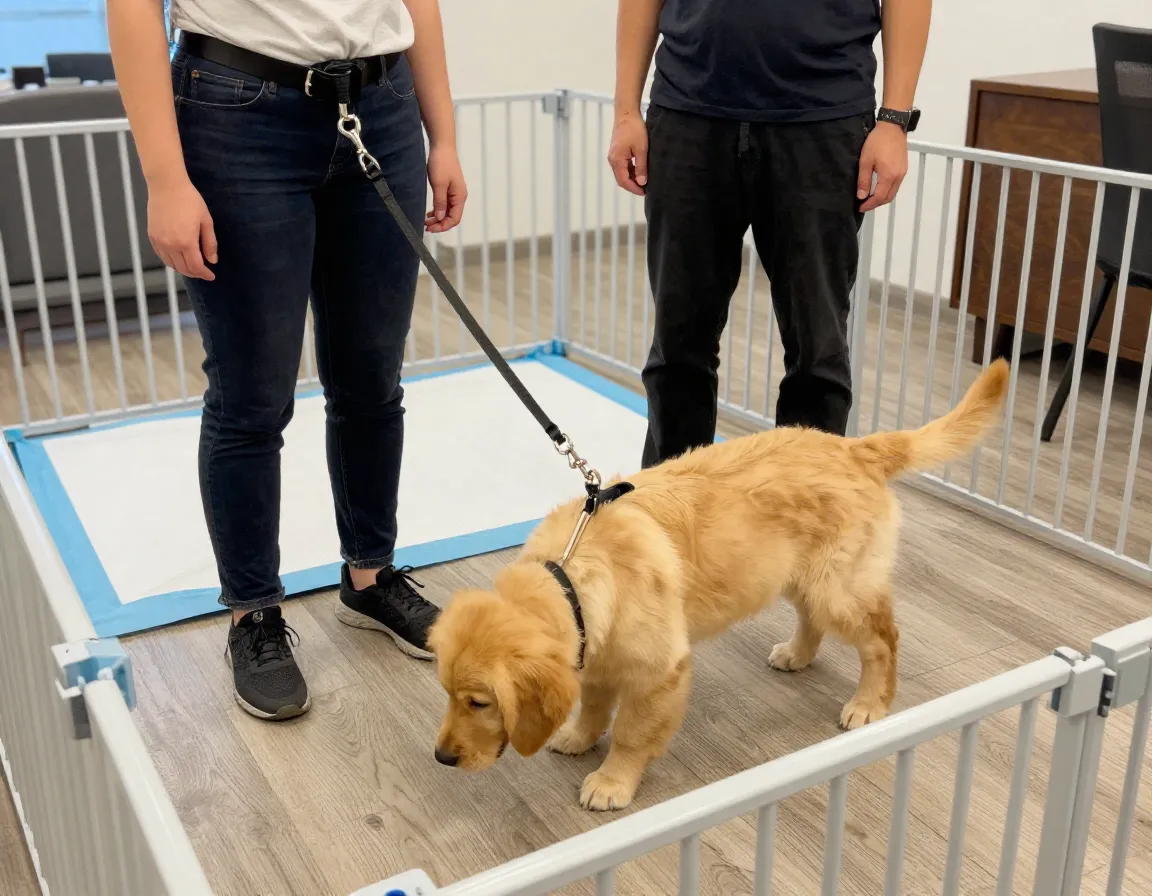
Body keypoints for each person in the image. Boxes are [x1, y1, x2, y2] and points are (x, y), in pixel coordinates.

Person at [108, 0, 466, 720]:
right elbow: (133, 9)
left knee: (372, 378)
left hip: (382, 104)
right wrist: (165, 179)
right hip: (237, 112)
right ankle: (253, 614)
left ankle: (370, 577)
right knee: (251, 395)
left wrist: (444, 136)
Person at [609, 0, 931, 466]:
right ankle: (669, 513)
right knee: (678, 345)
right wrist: (625, 113)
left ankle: (806, 520)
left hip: (823, 120)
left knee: (817, 351)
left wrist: (894, 121)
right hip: (688, 114)